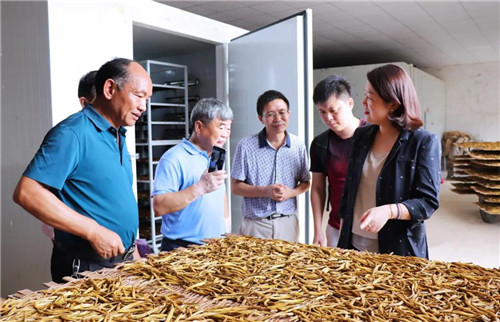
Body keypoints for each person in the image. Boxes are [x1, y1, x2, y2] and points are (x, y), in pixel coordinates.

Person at [13, 58, 152, 282]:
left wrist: (132, 251)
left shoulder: (117, 134)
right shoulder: (73, 133)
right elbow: (27, 192)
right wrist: (93, 231)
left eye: (147, 99)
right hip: (86, 266)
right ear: (109, 89)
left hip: (121, 260)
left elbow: (109, 200)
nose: (143, 107)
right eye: (138, 95)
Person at [337, 64, 441, 258]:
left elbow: (427, 202)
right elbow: (349, 190)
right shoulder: (361, 135)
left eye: (370, 97)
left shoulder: (423, 142)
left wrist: (390, 211)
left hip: (398, 249)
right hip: (354, 243)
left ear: (393, 103)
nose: (363, 102)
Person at [152, 98, 233, 251]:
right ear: (199, 126)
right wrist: (200, 187)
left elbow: (219, 192)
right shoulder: (173, 158)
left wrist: (226, 227)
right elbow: (159, 206)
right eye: (221, 127)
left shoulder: (216, 154)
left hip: (215, 247)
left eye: (228, 128)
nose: (225, 134)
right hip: (182, 248)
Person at [231, 90, 310, 243]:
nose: (278, 119)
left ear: (289, 113)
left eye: (282, 112)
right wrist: (266, 191)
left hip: (287, 223)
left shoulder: (298, 145)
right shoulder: (246, 145)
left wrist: (290, 193)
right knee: (251, 267)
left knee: (288, 267)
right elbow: (235, 187)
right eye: (270, 114)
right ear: (261, 118)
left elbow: (306, 182)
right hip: (255, 225)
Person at [41, 69, 99, 242]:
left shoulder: (114, 137)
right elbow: (34, 194)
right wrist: (92, 232)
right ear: (84, 103)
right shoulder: (70, 135)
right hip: (81, 250)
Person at [309, 75, 366, 247]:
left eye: (333, 110)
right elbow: (318, 188)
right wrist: (317, 229)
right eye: (322, 112)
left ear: (350, 103)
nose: (328, 118)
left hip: (368, 228)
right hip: (336, 227)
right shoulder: (320, 143)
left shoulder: (373, 135)